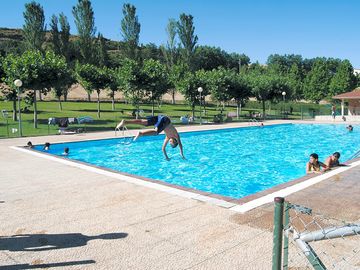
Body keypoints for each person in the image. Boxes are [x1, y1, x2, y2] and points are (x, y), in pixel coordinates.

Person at [116, 115, 185, 161]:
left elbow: (163, 148)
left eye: (170, 144)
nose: (170, 143)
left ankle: (126, 122)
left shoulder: (167, 138)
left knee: (144, 122)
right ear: (175, 141)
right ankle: (141, 133)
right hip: (166, 120)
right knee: (156, 132)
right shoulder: (176, 135)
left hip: (160, 117)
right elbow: (180, 145)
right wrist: (182, 155)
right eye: (171, 143)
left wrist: (167, 157)